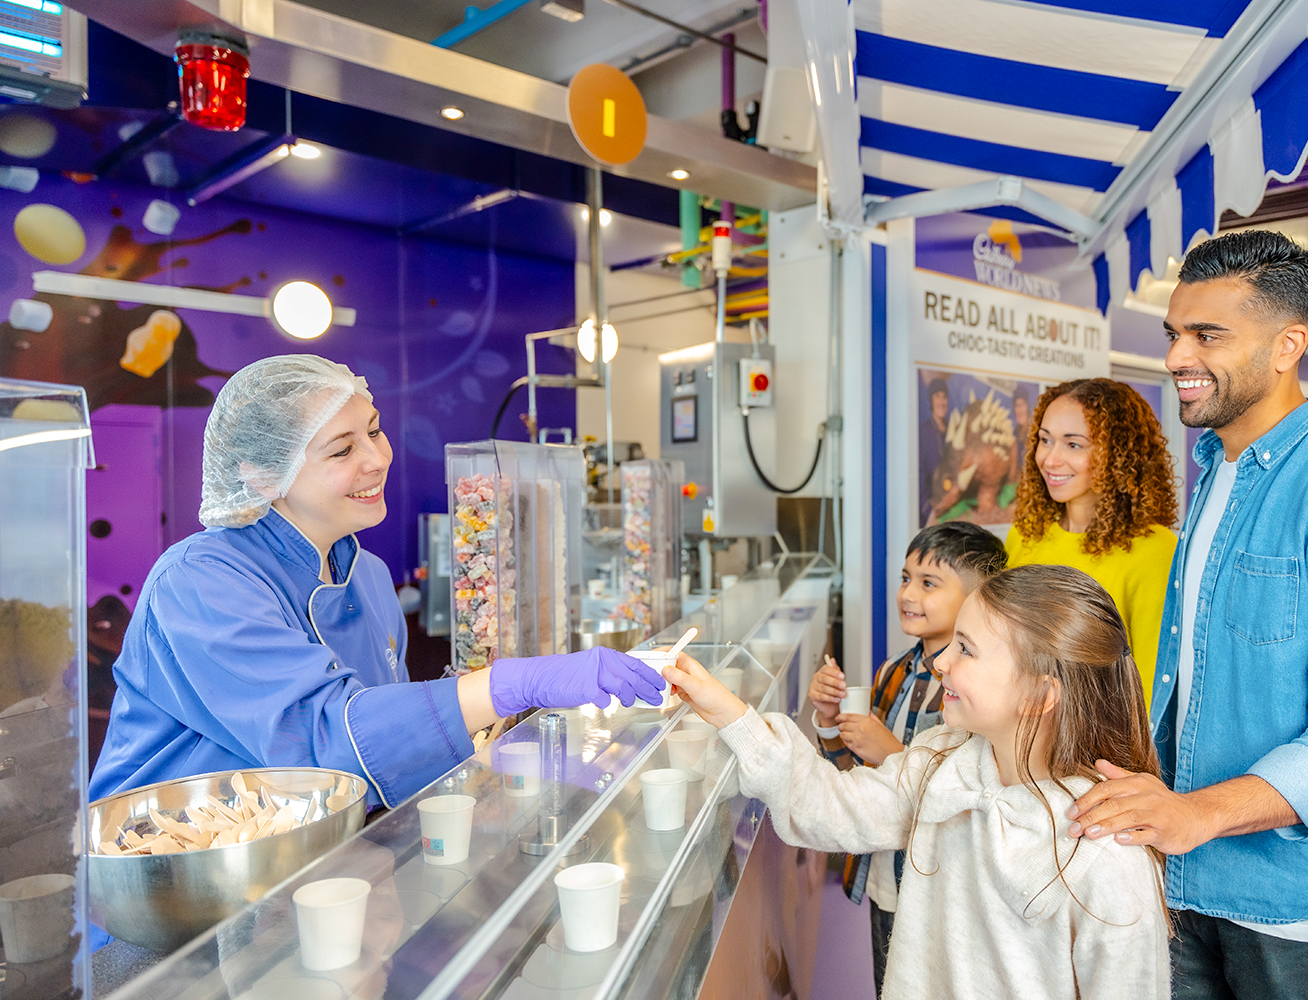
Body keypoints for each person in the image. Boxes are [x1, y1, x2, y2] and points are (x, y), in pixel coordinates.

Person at [1065, 231, 1308, 999]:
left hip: (1302, 906)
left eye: (1208, 336)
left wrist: (1195, 814)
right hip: (1190, 878)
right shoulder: (1215, 472)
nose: (1175, 357)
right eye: (1175, 333)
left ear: (1286, 346)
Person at [91, 355, 665, 809]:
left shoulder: (366, 574)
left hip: (314, 862)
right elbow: (325, 741)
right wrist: (511, 683)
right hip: (181, 880)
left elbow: (385, 732)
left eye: (375, 431)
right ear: (264, 475)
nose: (377, 459)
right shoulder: (201, 581)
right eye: (342, 449)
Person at [667, 565, 1170, 1000]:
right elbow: (831, 806)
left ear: (1041, 694)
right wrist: (729, 712)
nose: (939, 661)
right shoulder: (940, 760)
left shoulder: (1109, 849)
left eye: (966, 650)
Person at [805, 521, 1007, 996]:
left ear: (980, 599)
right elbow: (852, 778)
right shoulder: (892, 672)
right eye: (905, 577)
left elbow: (980, 793)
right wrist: (830, 720)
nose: (908, 593)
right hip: (887, 881)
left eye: (929, 582)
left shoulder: (986, 688)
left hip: (951, 886)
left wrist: (892, 753)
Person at [1006, 378, 1179, 703]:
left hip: (1095, 742)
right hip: (1014, 729)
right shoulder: (1025, 533)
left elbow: (1150, 683)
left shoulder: (1155, 550)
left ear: (1118, 455)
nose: (1050, 459)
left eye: (1073, 445)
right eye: (1045, 440)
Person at [918, 378, 950, 525]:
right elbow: (919, 476)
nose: (941, 402)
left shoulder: (953, 430)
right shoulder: (923, 433)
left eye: (944, 397)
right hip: (933, 513)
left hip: (952, 508)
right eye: (937, 396)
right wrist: (929, 511)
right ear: (931, 400)